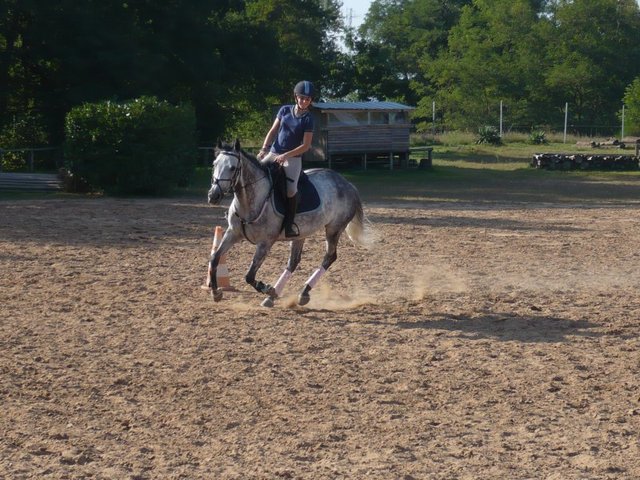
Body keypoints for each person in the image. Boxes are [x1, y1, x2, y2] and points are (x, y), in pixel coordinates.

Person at [257, 80, 315, 237]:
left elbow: (306, 146)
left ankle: (289, 225)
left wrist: (286, 155)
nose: (304, 101)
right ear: (296, 97)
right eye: (302, 98)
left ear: (311, 100)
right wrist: (264, 149)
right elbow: (272, 131)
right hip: (274, 153)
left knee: (291, 190)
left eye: (307, 99)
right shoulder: (284, 110)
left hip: (293, 159)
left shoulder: (308, 119)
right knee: (255, 175)